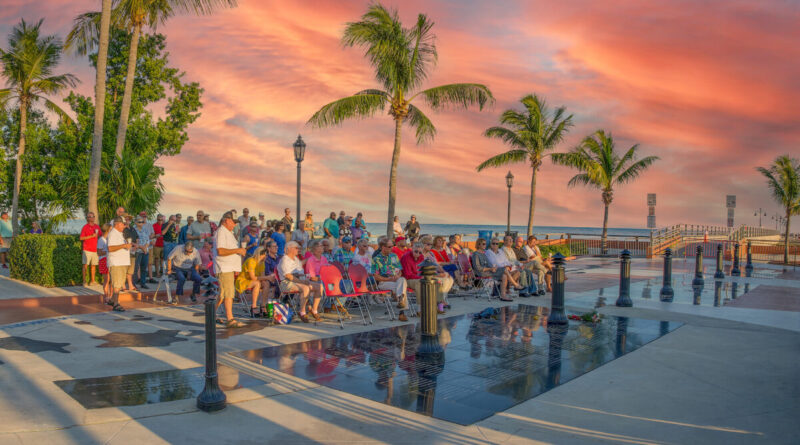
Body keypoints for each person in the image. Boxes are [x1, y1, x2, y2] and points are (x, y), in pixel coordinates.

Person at [214, 212, 247, 328]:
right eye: (233, 222)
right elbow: (220, 251)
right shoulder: (221, 232)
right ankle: (230, 318)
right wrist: (238, 250)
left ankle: (211, 314)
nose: (234, 224)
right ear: (226, 220)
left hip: (228, 267)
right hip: (224, 267)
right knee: (228, 293)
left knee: (223, 294)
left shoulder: (228, 232)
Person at [278, 241, 322, 323]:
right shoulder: (285, 259)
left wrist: (310, 258)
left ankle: (314, 310)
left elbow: (300, 266)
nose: (298, 250)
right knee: (305, 288)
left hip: (298, 281)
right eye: (296, 248)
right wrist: (301, 281)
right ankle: (302, 312)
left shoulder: (296, 259)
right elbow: (288, 276)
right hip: (286, 283)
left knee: (319, 286)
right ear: (289, 249)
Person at [401, 242, 446, 315]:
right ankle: (420, 309)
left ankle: (440, 307)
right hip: (408, 279)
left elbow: (425, 270)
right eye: (416, 251)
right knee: (420, 282)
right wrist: (422, 277)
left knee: (436, 281)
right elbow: (408, 275)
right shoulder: (406, 257)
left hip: (418, 277)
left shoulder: (421, 257)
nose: (418, 254)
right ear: (412, 249)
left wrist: (433, 275)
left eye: (420, 252)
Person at [371, 237, 409, 322]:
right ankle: (401, 311)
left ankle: (400, 300)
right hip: (384, 282)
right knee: (402, 286)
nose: (392, 248)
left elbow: (400, 271)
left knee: (402, 280)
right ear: (382, 247)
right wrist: (389, 279)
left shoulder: (394, 256)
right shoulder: (376, 259)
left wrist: (397, 276)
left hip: (396, 280)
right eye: (389, 247)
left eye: (392, 246)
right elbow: (376, 276)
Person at [236, 246, 271, 317]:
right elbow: (253, 277)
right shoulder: (251, 261)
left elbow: (262, 277)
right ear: (261, 254)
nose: (266, 256)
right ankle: (253, 306)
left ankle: (263, 306)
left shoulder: (262, 263)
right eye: (265, 254)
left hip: (253, 281)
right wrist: (268, 277)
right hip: (243, 280)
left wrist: (266, 279)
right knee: (257, 283)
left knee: (266, 283)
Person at [106, 217, 132, 312]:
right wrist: (124, 246)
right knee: (117, 285)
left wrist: (128, 246)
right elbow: (110, 248)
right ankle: (116, 304)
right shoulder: (113, 233)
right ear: (118, 224)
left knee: (119, 283)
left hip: (121, 262)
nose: (125, 226)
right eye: (123, 224)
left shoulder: (119, 233)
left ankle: (113, 300)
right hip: (117, 263)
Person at [420, 235, 455, 304]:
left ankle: (441, 299)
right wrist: (438, 274)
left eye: (430, 244)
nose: (430, 246)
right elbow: (422, 269)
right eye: (428, 244)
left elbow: (437, 265)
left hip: (435, 273)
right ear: (422, 244)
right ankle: (440, 300)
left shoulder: (431, 254)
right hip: (427, 275)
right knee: (445, 281)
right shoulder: (420, 254)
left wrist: (444, 272)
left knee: (450, 279)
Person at [79, 212, 101, 285]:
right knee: (85, 265)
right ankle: (84, 281)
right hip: (87, 250)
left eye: (93, 216)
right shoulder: (85, 227)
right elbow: (81, 238)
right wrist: (91, 236)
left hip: (95, 249)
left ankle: (92, 281)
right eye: (90, 216)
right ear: (87, 218)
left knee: (93, 266)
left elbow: (101, 236)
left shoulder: (97, 227)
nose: (92, 218)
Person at [132, 216, 152, 290]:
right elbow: (133, 241)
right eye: (139, 222)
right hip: (138, 251)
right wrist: (142, 247)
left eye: (142, 222)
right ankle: (133, 284)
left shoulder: (145, 229)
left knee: (144, 268)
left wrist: (146, 247)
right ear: (136, 222)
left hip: (145, 251)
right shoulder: (133, 229)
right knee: (136, 268)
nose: (141, 223)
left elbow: (148, 239)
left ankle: (143, 283)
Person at [97, 223, 111, 300]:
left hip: (109, 259)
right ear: (107, 230)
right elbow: (99, 252)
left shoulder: (109, 239)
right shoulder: (101, 240)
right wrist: (108, 252)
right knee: (106, 279)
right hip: (103, 260)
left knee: (111, 279)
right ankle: (106, 295)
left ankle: (111, 295)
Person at [150, 214, 165, 279]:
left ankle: (162, 271)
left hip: (164, 244)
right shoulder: (153, 225)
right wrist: (156, 235)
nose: (160, 221)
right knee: (156, 259)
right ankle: (157, 273)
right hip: (156, 245)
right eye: (159, 220)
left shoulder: (164, 226)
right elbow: (151, 236)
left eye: (161, 220)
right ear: (157, 219)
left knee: (162, 259)